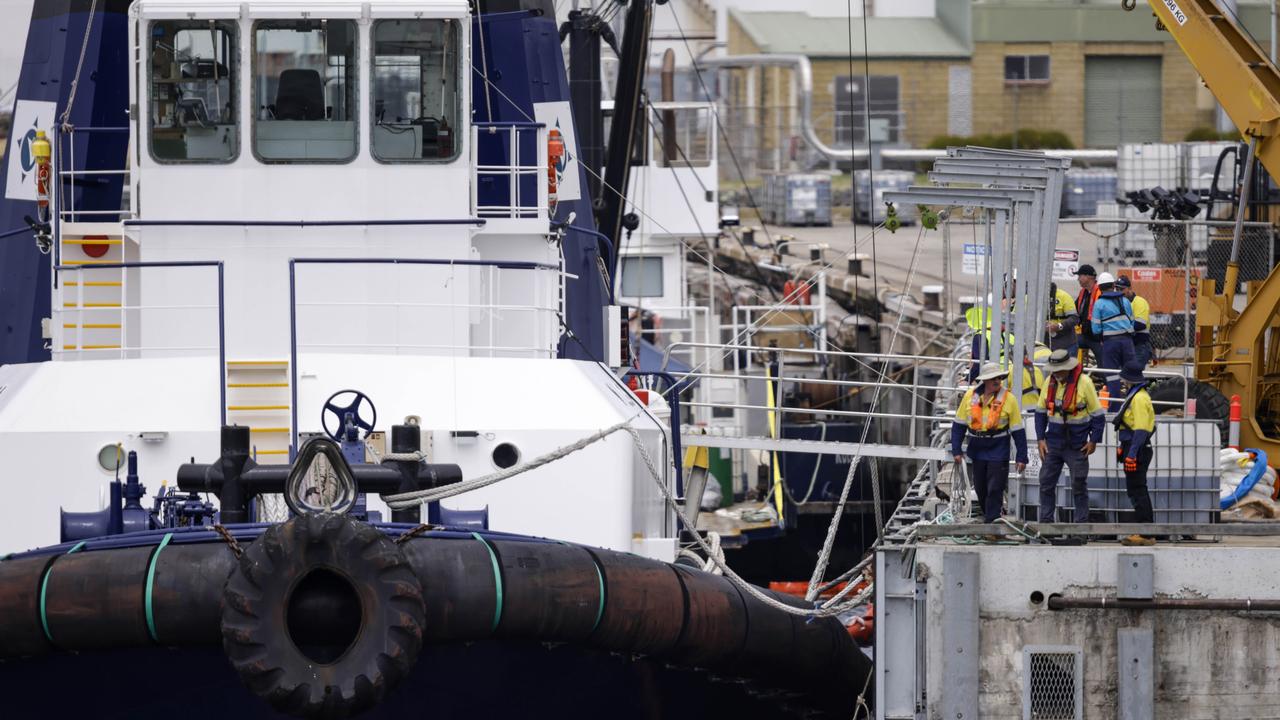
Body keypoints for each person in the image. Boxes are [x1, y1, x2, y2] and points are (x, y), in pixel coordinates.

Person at [951, 362, 1030, 523]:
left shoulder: (1009, 400)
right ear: (985, 380)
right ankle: (990, 517)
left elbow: (1018, 431)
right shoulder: (970, 397)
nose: (997, 381)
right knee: (980, 488)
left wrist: (1022, 456)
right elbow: (959, 424)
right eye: (993, 378)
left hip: (998, 448)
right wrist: (956, 449)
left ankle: (992, 521)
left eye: (999, 378)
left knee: (995, 487)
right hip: (977, 448)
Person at [1035, 349, 1105, 523]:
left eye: (1059, 370)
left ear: (1068, 368)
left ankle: (1080, 526)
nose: (1056, 374)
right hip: (1053, 443)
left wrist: (1094, 441)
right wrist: (1040, 439)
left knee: (1079, 485)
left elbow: (1098, 416)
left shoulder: (1085, 383)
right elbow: (1040, 412)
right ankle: (1046, 525)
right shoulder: (1049, 383)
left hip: (1077, 445)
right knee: (1046, 482)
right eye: (1054, 370)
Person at [1114, 362, 1156, 546]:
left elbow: (1140, 429)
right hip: (1134, 446)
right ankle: (1145, 530)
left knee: (1138, 489)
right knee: (1136, 489)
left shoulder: (1138, 398)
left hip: (1137, 448)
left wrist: (1131, 454)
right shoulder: (1138, 395)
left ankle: (1146, 531)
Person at [1090, 272, 1137, 400]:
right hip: (1127, 342)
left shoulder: (1099, 304)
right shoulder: (1125, 301)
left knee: (1112, 376)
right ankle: (1133, 403)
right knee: (1132, 375)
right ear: (1113, 285)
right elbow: (1132, 322)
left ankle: (1114, 407)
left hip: (1110, 344)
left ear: (1099, 288)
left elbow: (1095, 329)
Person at [1116, 275, 1152, 368]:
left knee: (1133, 374)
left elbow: (1140, 324)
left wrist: (1119, 327)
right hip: (1126, 345)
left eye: (1122, 289)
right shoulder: (1118, 303)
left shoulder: (1139, 302)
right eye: (1117, 289)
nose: (1119, 292)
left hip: (1139, 345)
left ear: (1129, 288)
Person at [1073, 265, 1104, 365]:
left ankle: (1105, 377)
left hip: (1099, 338)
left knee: (1104, 365)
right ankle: (1072, 372)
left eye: (1080, 276)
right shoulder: (1083, 292)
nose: (1078, 279)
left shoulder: (1100, 293)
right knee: (1069, 343)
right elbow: (1074, 309)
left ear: (1088, 277)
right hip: (1086, 335)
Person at [1045, 282, 1079, 354]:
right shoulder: (1032, 297)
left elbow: (1074, 318)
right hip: (1044, 345)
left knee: (1069, 365)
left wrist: (1059, 326)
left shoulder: (1064, 296)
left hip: (1066, 344)